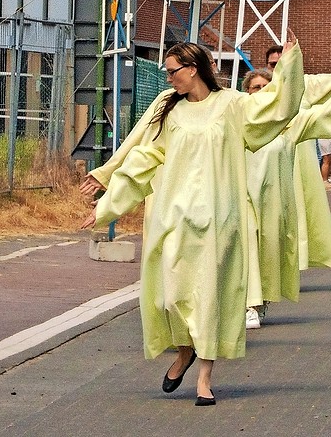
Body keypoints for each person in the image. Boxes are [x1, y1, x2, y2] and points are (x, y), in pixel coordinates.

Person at [81, 38, 306, 405]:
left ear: (194, 68)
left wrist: (292, 62)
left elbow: (279, 108)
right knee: (171, 296)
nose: (168, 79)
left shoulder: (234, 105)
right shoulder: (169, 110)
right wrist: (109, 202)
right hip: (175, 219)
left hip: (220, 221)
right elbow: (143, 156)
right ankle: (184, 350)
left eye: (172, 71)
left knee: (211, 299)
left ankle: (204, 378)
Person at [241, 42, 331, 328]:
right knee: (246, 245)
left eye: (265, 85)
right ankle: (248, 303)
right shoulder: (238, 116)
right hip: (243, 197)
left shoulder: (291, 116)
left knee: (269, 247)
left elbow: (324, 109)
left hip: (277, 192)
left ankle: (261, 299)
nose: (261, 91)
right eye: (255, 87)